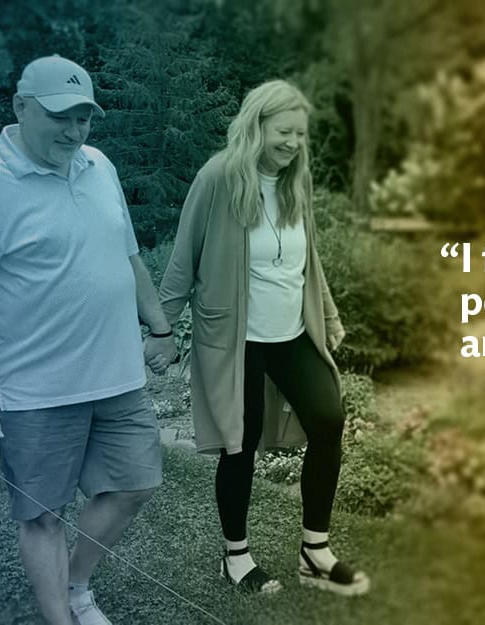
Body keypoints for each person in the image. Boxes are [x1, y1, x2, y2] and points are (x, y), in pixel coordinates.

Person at [0, 55, 177, 625]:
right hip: (34, 389)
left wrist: (160, 326)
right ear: (20, 107)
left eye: (84, 117)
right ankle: (62, 617)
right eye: (60, 116)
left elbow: (128, 256)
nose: (74, 130)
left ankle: (76, 584)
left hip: (118, 378)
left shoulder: (99, 165)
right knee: (42, 517)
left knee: (136, 484)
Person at [152, 80, 369, 596]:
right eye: (284, 132)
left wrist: (331, 315)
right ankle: (236, 556)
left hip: (291, 332)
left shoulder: (297, 183)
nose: (294, 143)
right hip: (235, 337)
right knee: (240, 444)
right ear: (257, 125)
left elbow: (307, 259)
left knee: (328, 418)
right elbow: (184, 256)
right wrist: (161, 328)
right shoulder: (220, 177)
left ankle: (315, 552)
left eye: (300, 134)